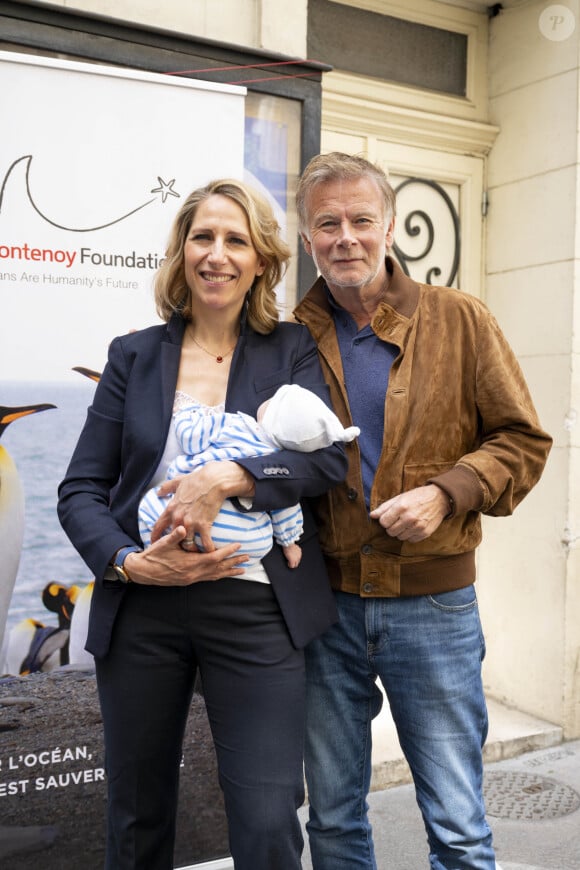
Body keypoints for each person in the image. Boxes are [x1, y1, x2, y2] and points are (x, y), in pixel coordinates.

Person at [57, 177, 348, 870]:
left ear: (261, 261)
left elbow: (328, 464)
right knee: (137, 816)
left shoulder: (290, 350)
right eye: (202, 237)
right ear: (182, 253)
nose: (217, 254)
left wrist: (237, 476)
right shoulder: (135, 354)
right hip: (144, 611)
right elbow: (80, 491)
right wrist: (130, 562)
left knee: (269, 814)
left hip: (256, 610)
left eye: (235, 240)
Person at [293, 152, 553, 870]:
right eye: (328, 223)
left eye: (361, 220)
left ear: (390, 226)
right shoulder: (287, 337)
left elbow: (523, 440)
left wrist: (448, 492)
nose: (346, 237)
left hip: (434, 608)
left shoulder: (460, 319)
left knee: (459, 825)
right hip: (326, 607)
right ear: (307, 236)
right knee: (335, 820)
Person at [137, 383, 360, 568]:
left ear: (271, 417)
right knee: (263, 539)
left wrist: (186, 413)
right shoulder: (276, 458)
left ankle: (154, 550)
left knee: (149, 505)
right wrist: (289, 543)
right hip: (245, 541)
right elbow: (286, 507)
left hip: (182, 514)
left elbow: (190, 438)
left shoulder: (236, 424)